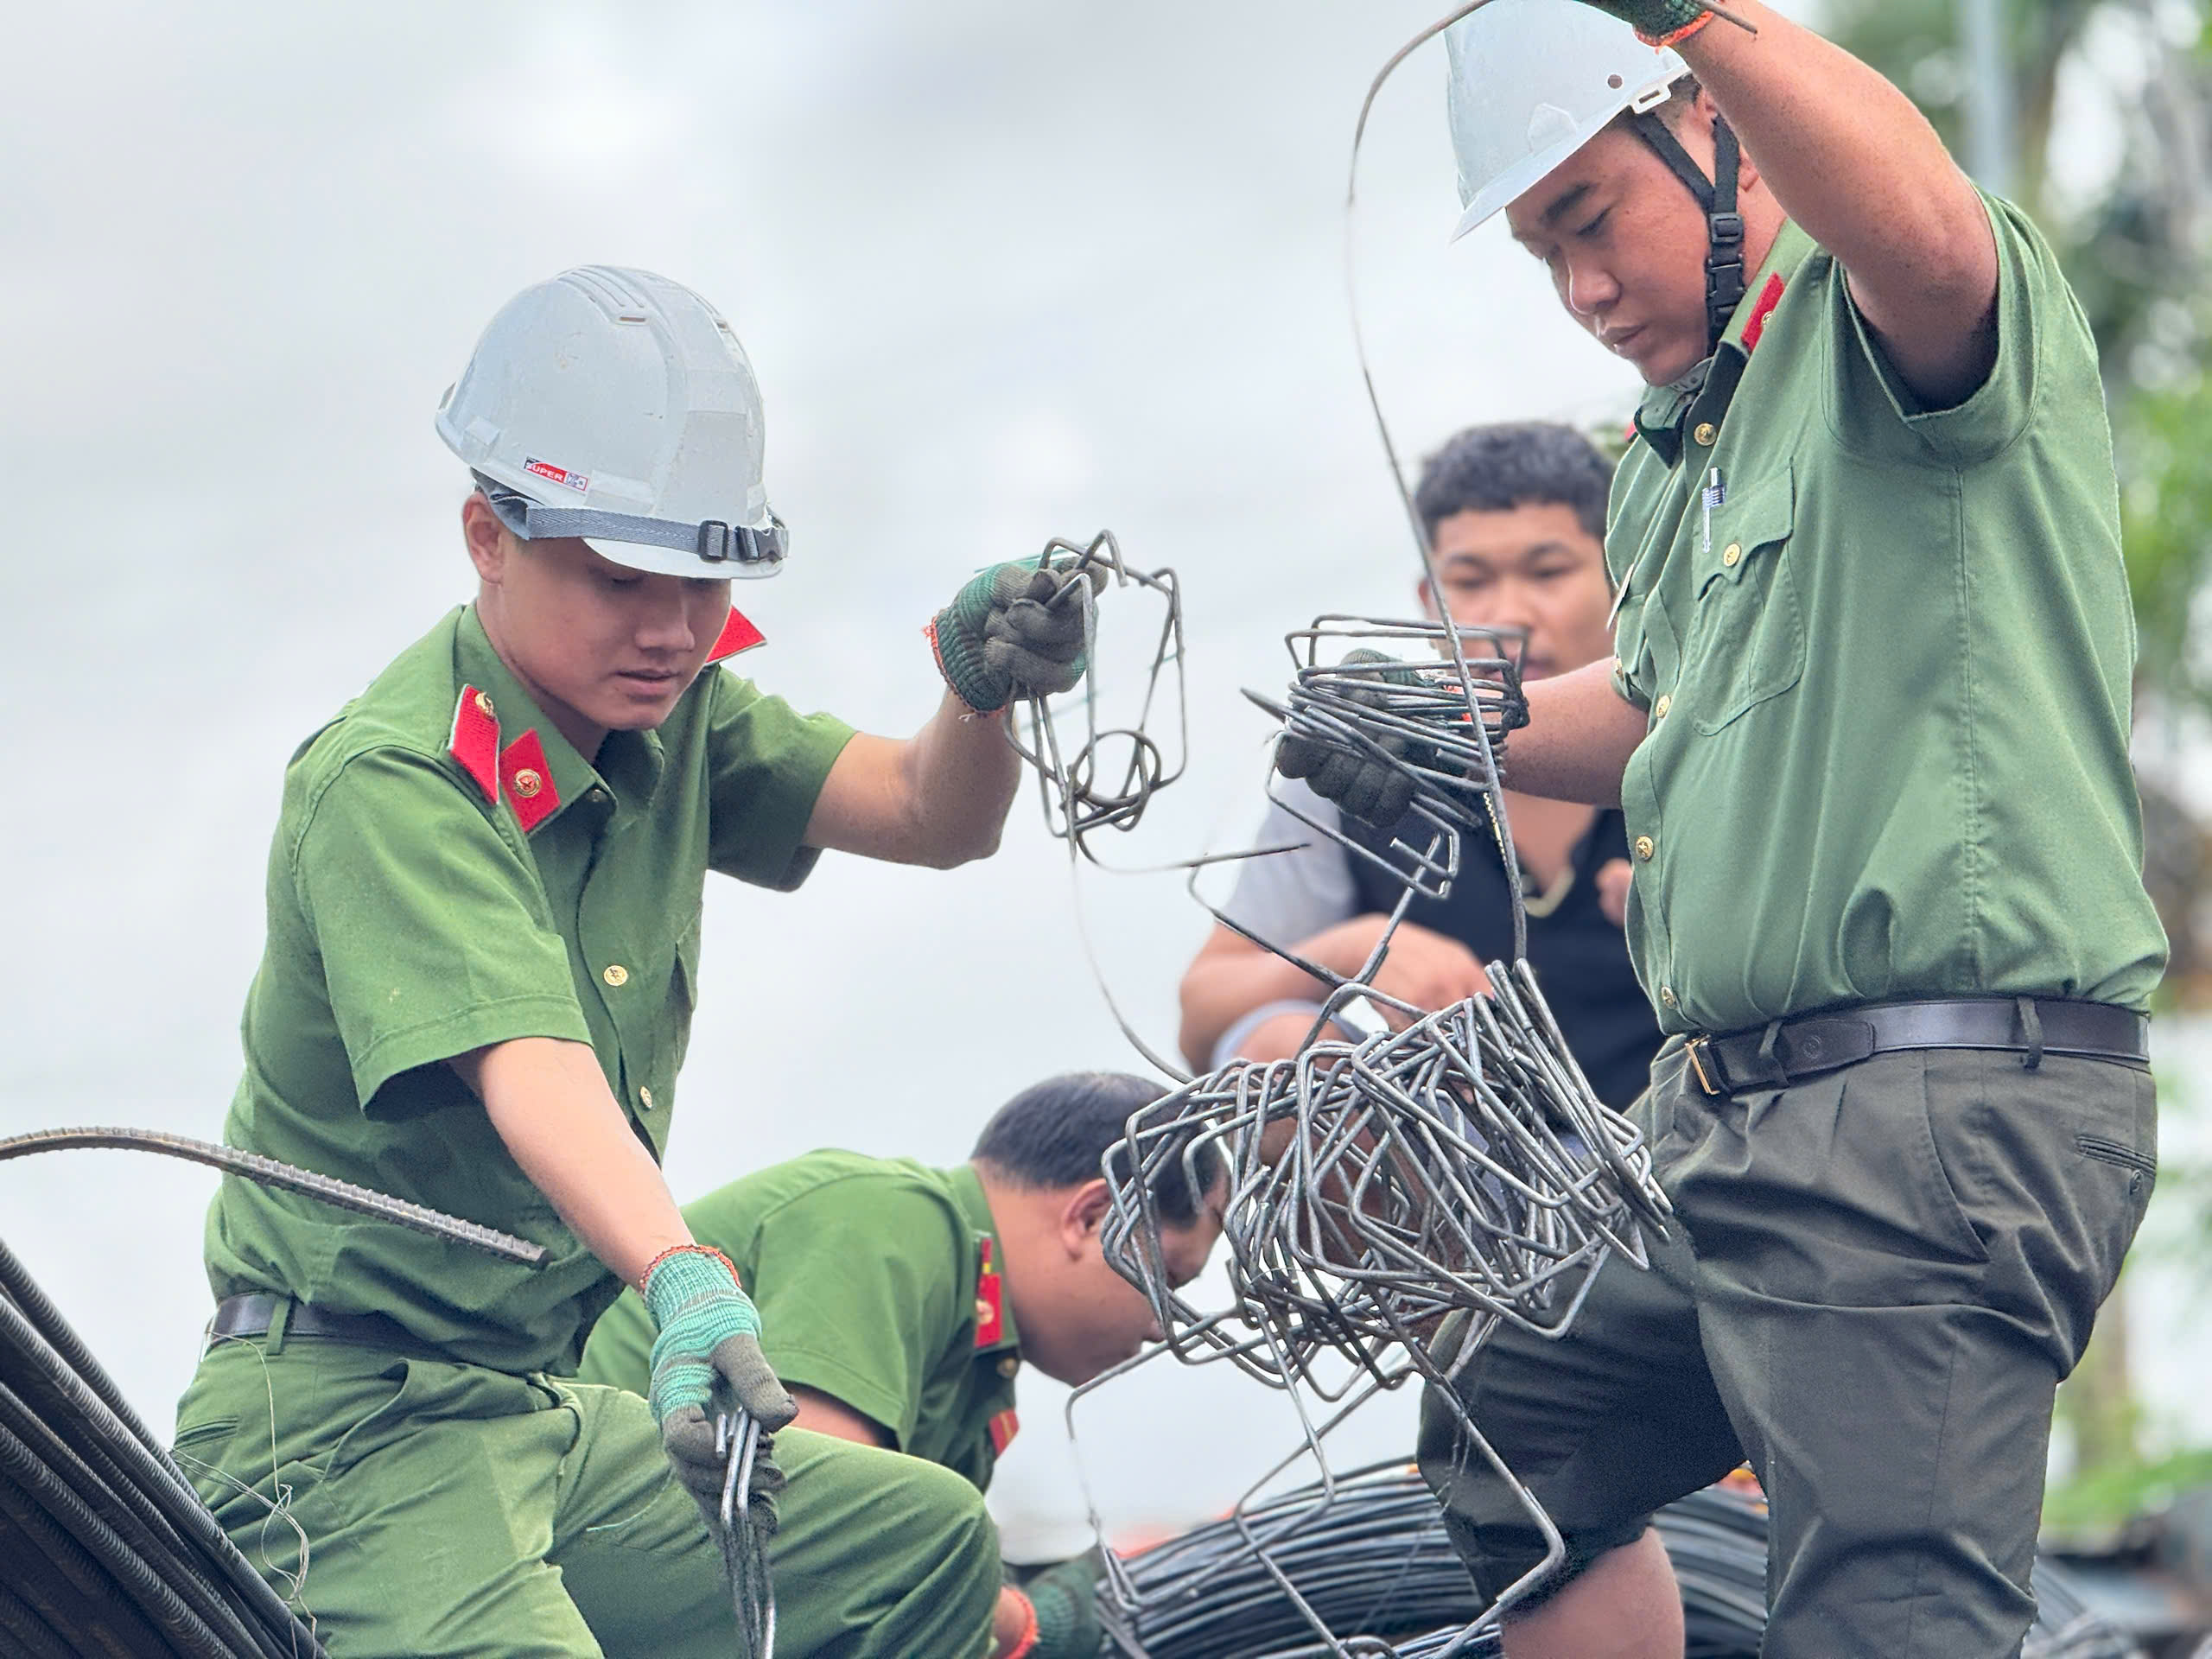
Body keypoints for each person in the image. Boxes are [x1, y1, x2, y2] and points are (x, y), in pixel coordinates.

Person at [1279, 6, 2165, 1656]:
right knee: (1509, 1437)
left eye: (1592, 221)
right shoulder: (1677, 453)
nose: (1582, 292)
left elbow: (1915, 219)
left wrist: (1690, 10)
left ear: (1713, 127)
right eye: (1543, 257)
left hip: (1923, 1113)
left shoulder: (1898, 308)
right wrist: (1451, 729)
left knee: (1886, 1624)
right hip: (1717, 1131)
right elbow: (1661, 701)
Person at [169, 264, 1105, 1658]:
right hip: (340, 1429)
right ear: (487, 535)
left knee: (923, 1545)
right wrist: (679, 1271)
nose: (669, 631)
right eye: (618, 580)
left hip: (530, 1408)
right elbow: (532, 1065)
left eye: (701, 581)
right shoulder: (395, 781)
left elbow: (929, 814)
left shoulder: (675, 716)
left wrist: (976, 699)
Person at [578, 1070, 1227, 1659]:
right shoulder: (897, 1219)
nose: (1160, 1327)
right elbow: (835, 1523)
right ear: (1090, 1217)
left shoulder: (978, 1368)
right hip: (586, 1548)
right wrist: (1027, 1620)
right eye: (1167, 1278)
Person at [1177, 422, 1659, 1108]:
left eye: (1548, 572)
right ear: (1428, 605)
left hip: (1698, 1152)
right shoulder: (1355, 764)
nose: (1508, 616)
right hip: (1467, 1182)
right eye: (1470, 581)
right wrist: (1355, 950)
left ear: (1624, 578)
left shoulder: (1683, 731)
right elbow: (1201, 1018)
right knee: (1275, 1047)